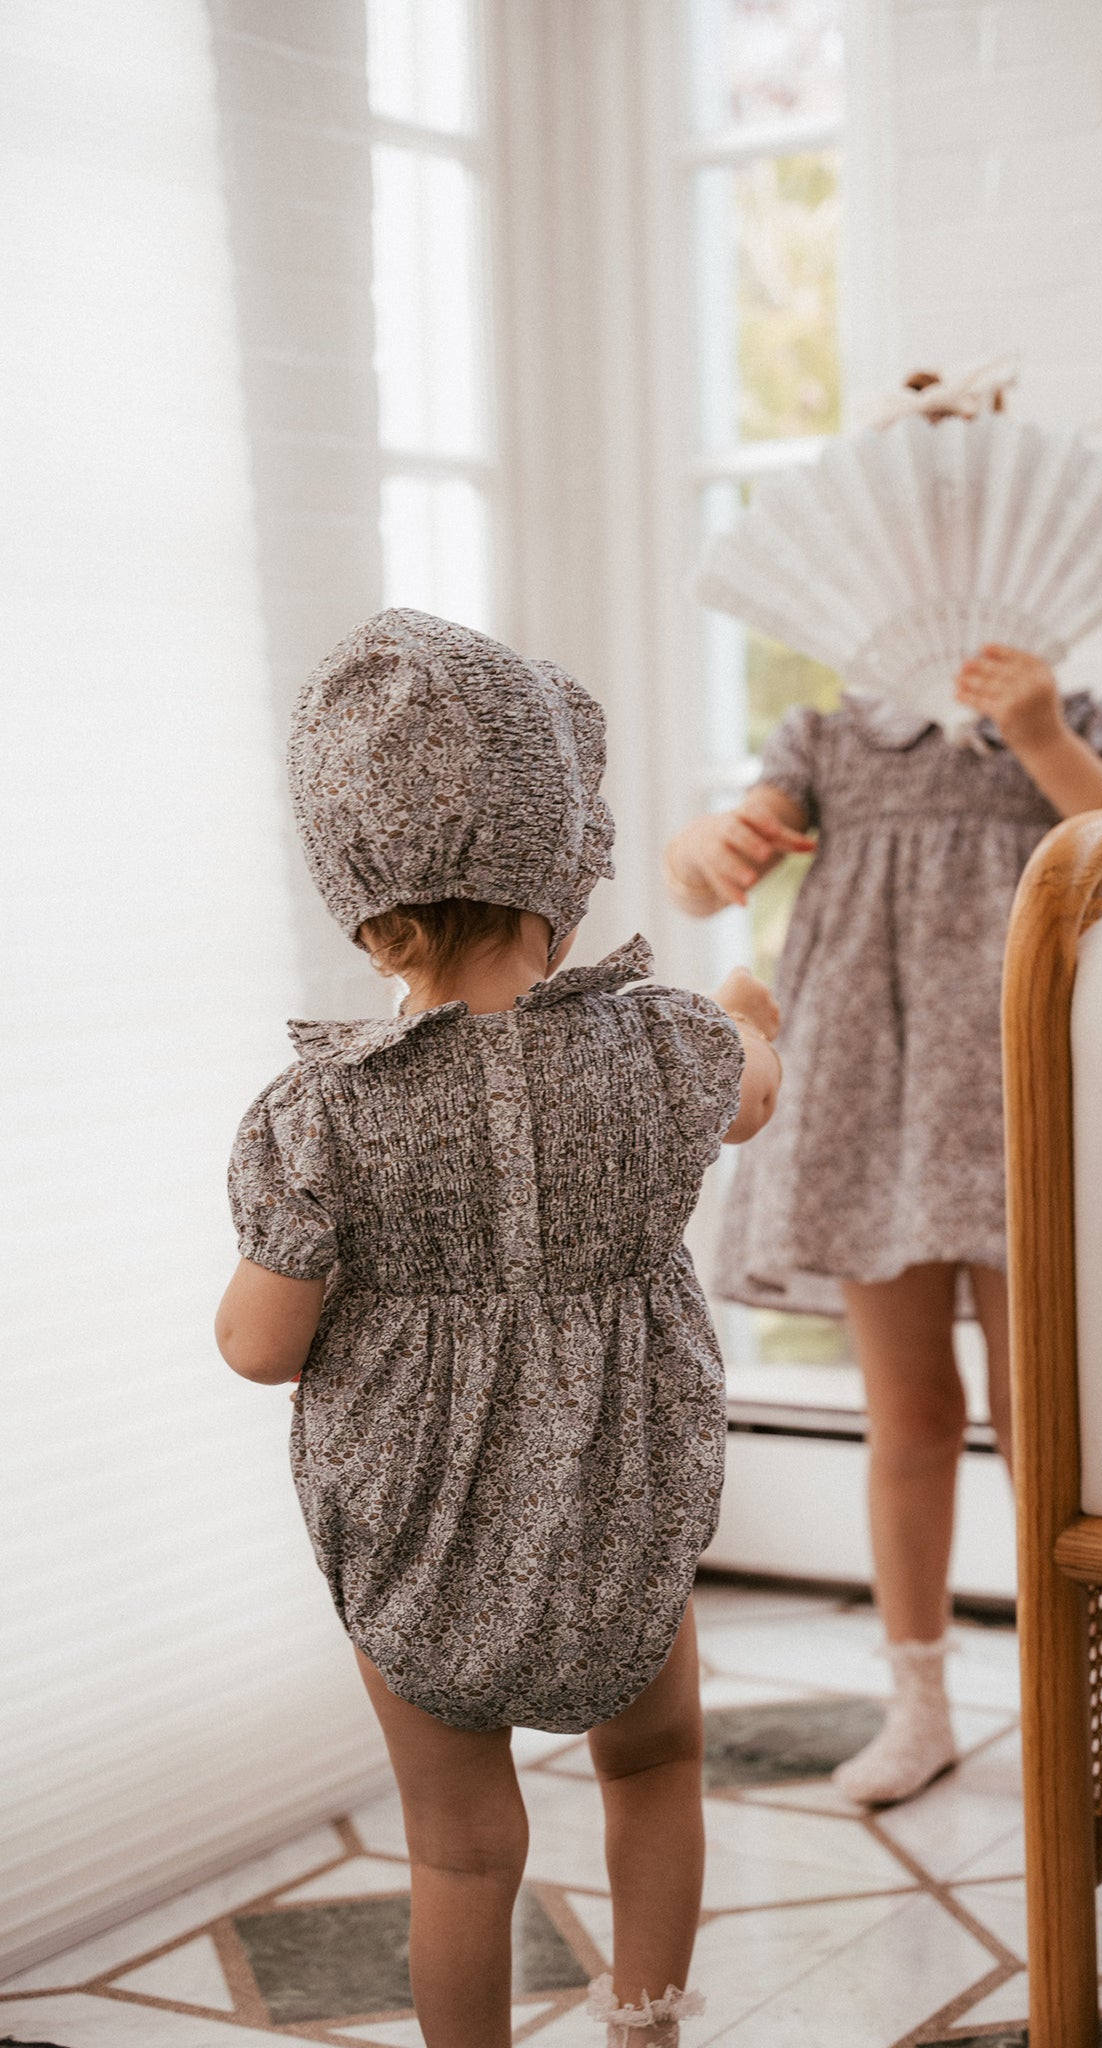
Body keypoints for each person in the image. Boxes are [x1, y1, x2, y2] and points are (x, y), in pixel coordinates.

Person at [215, 609, 781, 2048]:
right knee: (654, 1764)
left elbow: (262, 1346)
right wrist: (750, 1013)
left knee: (462, 1851)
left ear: (362, 892)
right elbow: (756, 1087)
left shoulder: (320, 1115)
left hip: (422, 1522)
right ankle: (646, 2024)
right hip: (620, 1487)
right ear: (563, 867)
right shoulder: (669, 1045)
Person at [663, 644, 1102, 1806]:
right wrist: (705, 849)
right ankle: (919, 1697)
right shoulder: (829, 735)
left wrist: (1039, 734)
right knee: (911, 1412)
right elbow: (708, 871)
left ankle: (1075, 1684)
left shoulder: (1081, 716)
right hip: (874, 1092)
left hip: (1025, 1084)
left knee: (1041, 1413)